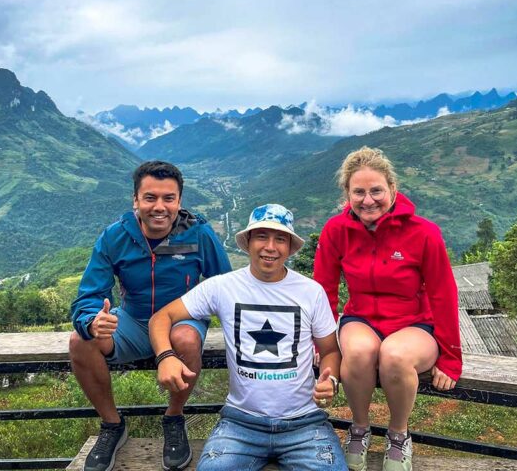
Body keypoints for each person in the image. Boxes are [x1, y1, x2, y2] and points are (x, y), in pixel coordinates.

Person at [149, 204, 347, 470]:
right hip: (240, 422)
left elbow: (330, 350)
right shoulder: (223, 287)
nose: (270, 247)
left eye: (280, 239)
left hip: (304, 422)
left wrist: (330, 378)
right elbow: (161, 318)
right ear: (248, 242)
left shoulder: (311, 292)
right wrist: (166, 357)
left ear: (289, 247)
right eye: (262, 237)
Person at [69, 161, 231, 471]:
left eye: (168, 198)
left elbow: (224, 284)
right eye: (150, 198)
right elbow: (89, 294)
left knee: (185, 338)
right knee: (81, 340)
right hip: (132, 321)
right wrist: (91, 320)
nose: (160, 207)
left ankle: (173, 417)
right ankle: (112, 425)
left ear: (179, 201)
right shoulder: (115, 237)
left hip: (181, 320)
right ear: (135, 201)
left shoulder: (198, 232)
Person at [313, 147, 461, 471]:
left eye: (376, 190)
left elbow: (443, 294)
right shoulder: (336, 231)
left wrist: (451, 356)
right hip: (361, 317)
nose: (368, 200)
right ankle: (360, 427)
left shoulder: (424, 233)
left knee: (394, 355)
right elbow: (323, 290)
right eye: (359, 192)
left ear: (392, 189)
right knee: (359, 352)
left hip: (414, 322)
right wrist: (319, 344)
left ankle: (398, 434)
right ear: (347, 195)